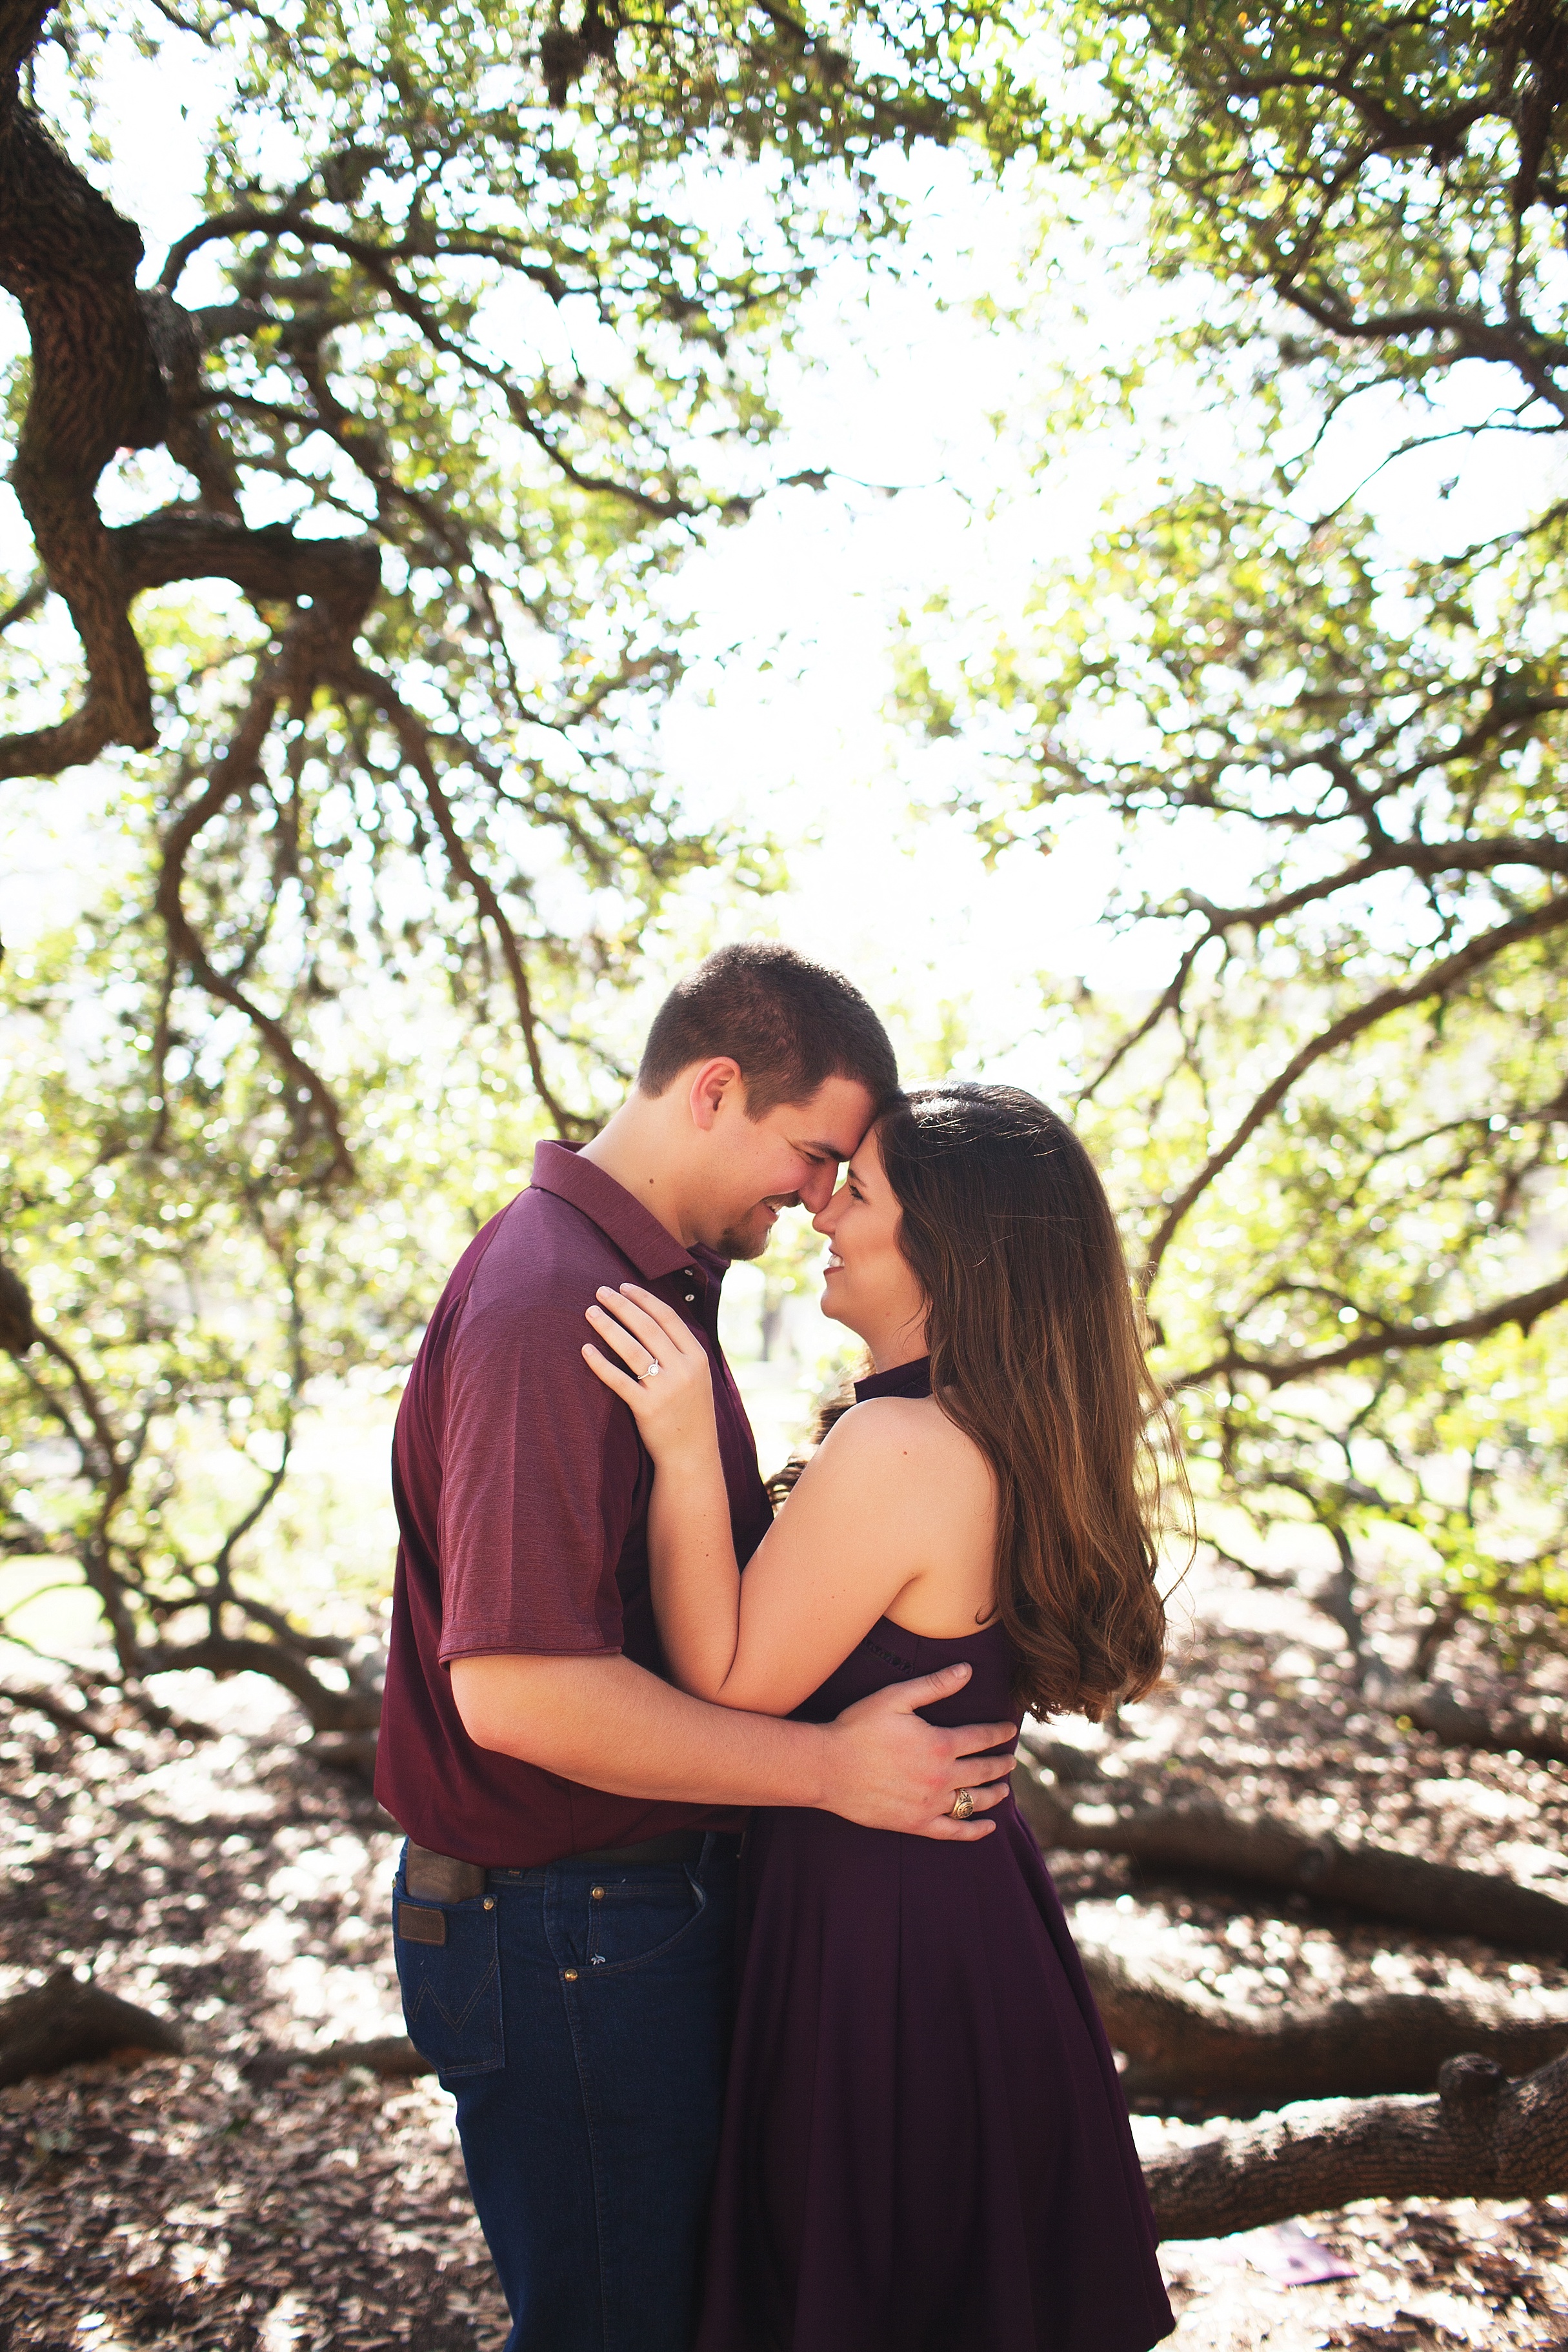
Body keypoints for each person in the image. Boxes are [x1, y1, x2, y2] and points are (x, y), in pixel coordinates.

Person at [374, 946, 1021, 2352]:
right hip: (563, 1929)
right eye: (810, 1157)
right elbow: (517, 1690)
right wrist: (828, 1771)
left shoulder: (642, 1278)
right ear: (715, 1087)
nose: (812, 1200)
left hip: (608, 1920)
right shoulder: (560, 1301)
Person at [583, 1081, 1180, 2352]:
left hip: (884, 1937)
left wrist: (688, 1446)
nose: (820, 1211)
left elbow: (729, 1685)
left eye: (858, 1191)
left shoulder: (906, 1441)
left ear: (948, 1248)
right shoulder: (984, 1423)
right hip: (950, 1911)